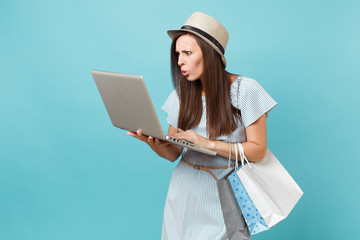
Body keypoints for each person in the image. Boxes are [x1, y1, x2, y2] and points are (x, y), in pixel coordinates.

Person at [127, 12, 277, 240]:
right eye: (177, 54)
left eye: (187, 53)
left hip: (225, 191)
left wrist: (208, 144)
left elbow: (258, 150)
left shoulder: (245, 90)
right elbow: (173, 152)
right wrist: (153, 143)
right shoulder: (181, 94)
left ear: (209, 54)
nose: (179, 61)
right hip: (183, 189)